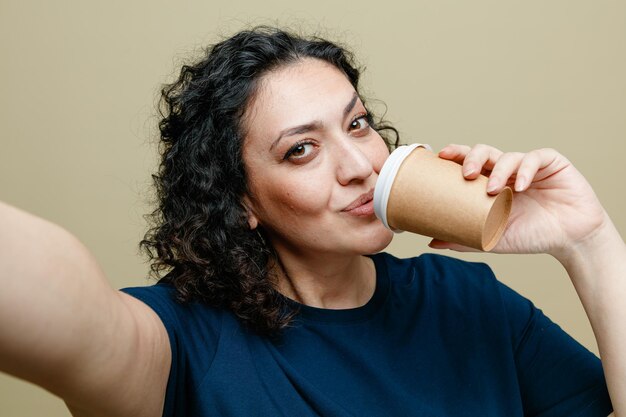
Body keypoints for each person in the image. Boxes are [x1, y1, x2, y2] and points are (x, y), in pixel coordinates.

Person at [0, 26, 623, 417]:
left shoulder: (469, 303)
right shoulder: (182, 347)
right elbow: (63, 302)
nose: (358, 165)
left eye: (356, 124)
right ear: (240, 200)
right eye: (302, 149)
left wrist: (588, 243)